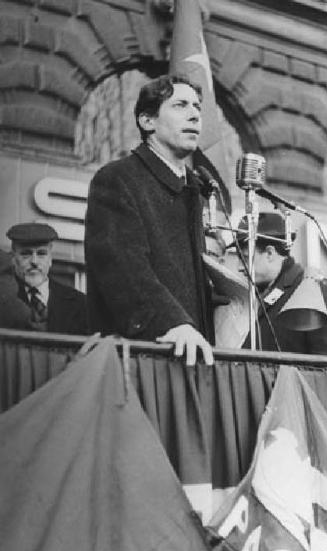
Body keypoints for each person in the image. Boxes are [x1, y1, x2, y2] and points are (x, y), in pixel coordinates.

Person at [84, 74, 215, 366]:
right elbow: (125, 269)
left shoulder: (194, 189)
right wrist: (173, 323)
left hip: (194, 360)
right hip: (143, 362)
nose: (194, 114)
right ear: (147, 121)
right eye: (180, 105)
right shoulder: (117, 179)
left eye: (197, 107)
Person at [233, 212, 327, 356]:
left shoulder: (315, 291)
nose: (239, 267)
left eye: (245, 258)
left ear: (270, 253)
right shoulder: (256, 296)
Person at [6, 222, 88, 335]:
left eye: (41, 254)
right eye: (26, 254)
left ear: (50, 258)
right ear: (13, 258)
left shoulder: (80, 303)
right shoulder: (5, 300)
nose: (34, 261)